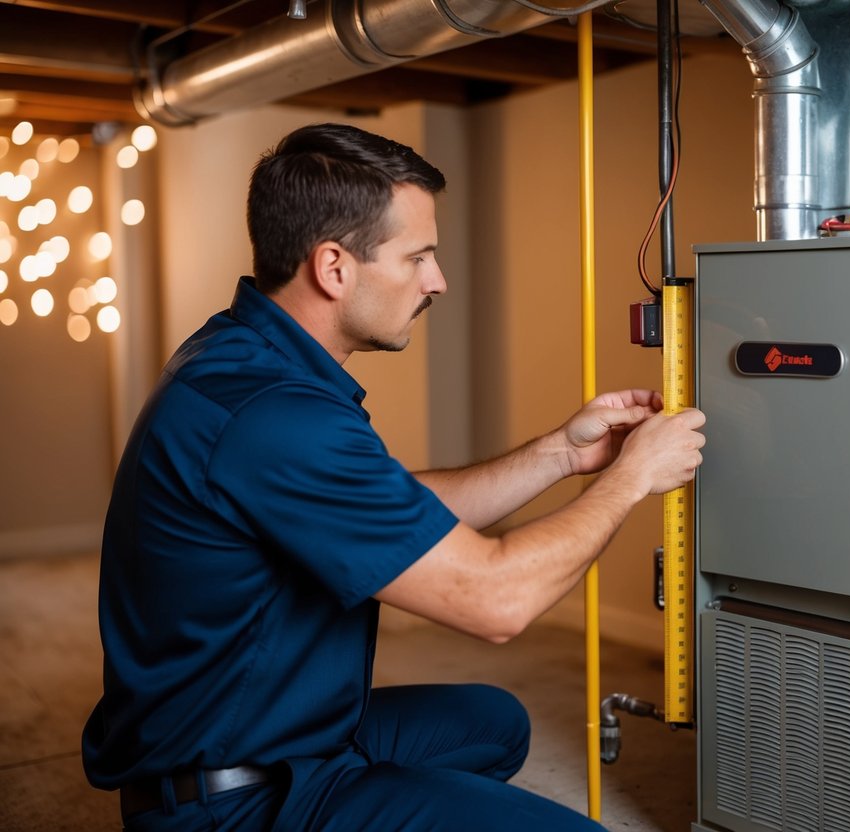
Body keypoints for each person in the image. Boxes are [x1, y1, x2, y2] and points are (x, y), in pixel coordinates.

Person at [82, 122, 706, 831]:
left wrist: (561, 453)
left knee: (491, 722)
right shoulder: (276, 416)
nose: (436, 280)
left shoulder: (248, 354)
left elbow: (392, 511)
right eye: (418, 257)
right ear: (334, 267)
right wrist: (630, 478)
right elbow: (495, 601)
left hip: (277, 736)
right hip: (235, 801)